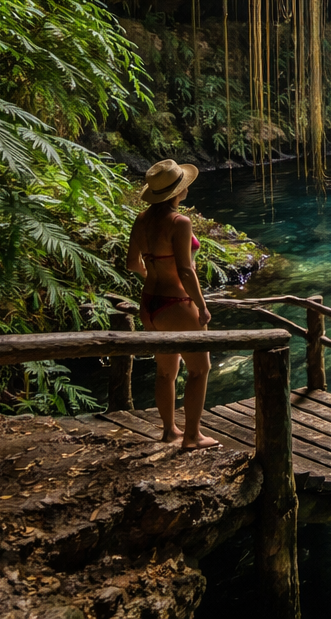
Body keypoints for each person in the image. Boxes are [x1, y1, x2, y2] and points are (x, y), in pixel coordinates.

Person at [127, 159, 218, 449]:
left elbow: (132, 263)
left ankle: (169, 431)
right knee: (199, 369)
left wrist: (151, 274)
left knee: (166, 371)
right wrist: (201, 305)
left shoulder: (142, 219)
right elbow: (186, 271)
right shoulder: (180, 222)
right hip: (177, 302)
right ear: (178, 191)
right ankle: (192, 436)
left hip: (149, 304)